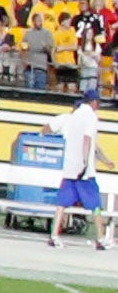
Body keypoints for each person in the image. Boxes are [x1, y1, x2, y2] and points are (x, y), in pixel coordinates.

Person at [54, 93, 104, 248]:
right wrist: (84, 162)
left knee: (62, 203)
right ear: (94, 102)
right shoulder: (91, 117)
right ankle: (101, 238)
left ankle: (54, 234)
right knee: (95, 204)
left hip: (70, 168)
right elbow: (87, 140)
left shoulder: (73, 116)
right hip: (84, 171)